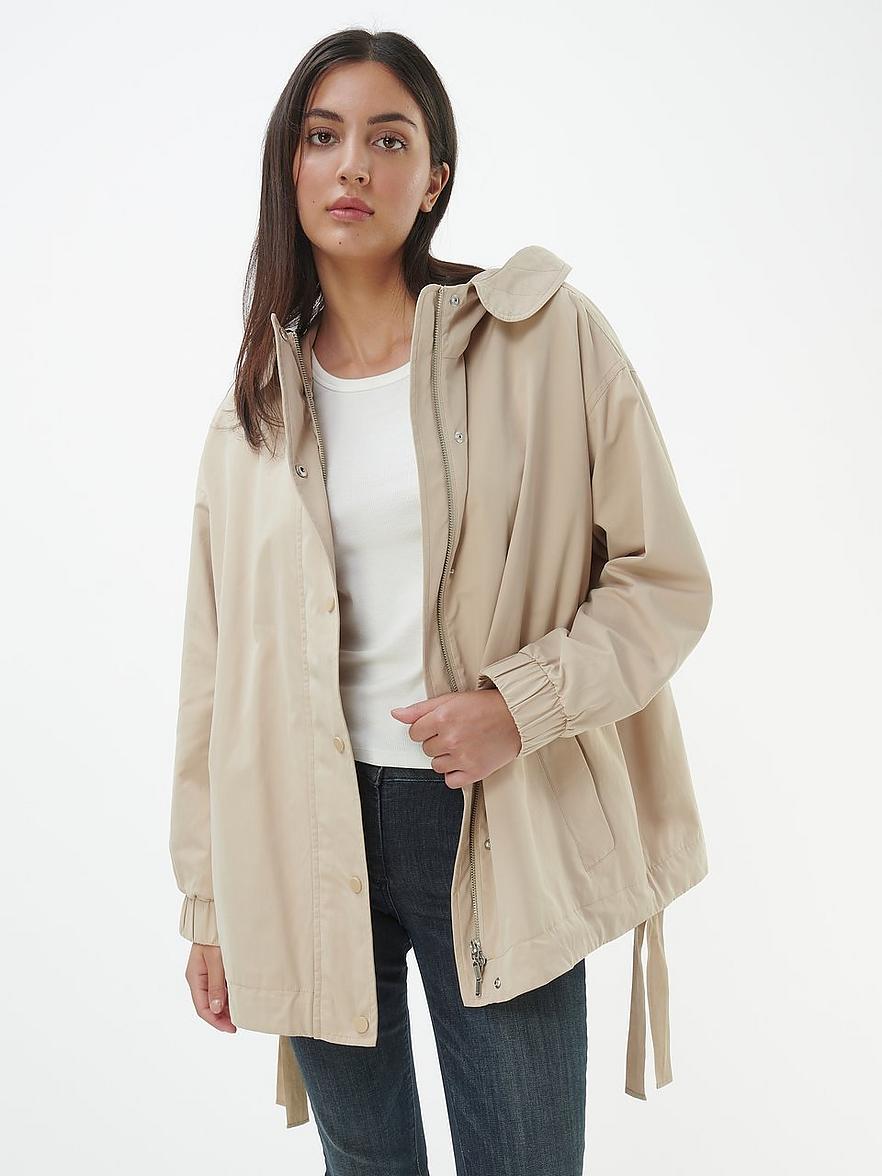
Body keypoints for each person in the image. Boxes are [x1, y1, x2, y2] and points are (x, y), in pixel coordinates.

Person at [169, 27, 714, 1176]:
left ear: (434, 178)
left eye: (388, 139)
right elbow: (215, 673)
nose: (352, 166)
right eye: (323, 137)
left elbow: (664, 580)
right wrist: (209, 903)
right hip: (303, 836)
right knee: (364, 1165)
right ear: (290, 168)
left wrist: (521, 705)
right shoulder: (255, 405)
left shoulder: (544, 340)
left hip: (489, 819)